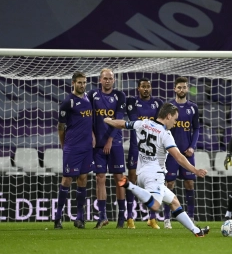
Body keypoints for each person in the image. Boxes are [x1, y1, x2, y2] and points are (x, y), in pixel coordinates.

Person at [104, 103, 210, 237]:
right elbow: (178, 157)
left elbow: (123, 124)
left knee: (174, 202)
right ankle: (129, 185)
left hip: (142, 173)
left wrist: (109, 121)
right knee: (155, 205)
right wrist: (195, 170)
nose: (175, 123)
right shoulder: (165, 134)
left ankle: (197, 231)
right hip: (154, 174)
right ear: (168, 116)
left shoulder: (143, 123)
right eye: (175, 119)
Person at [54, 71, 94, 229]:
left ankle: (79, 218)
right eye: (79, 82)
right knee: (67, 179)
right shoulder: (68, 102)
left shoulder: (88, 99)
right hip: (72, 147)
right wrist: (64, 145)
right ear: (73, 83)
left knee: (83, 179)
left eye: (84, 82)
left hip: (86, 147)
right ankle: (58, 217)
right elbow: (61, 126)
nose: (82, 85)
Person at [88, 68, 126, 229]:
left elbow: (119, 121)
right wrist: (92, 135)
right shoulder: (92, 95)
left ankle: (121, 216)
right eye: (105, 78)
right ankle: (102, 215)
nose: (108, 80)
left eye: (110, 78)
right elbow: (87, 117)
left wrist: (110, 139)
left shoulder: (119, 96)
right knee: (100, 178)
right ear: (100, 80)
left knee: (120, 180)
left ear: (114, 80)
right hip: (97, 145)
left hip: (115, 143)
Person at [126, 77, 164, 229]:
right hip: (136, 148)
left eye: (148, 86)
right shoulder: (132, 102)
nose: (146, 89)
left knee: (152, 181)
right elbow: (136, 123)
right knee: (132, 180)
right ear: (138, 89)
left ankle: (152, 218)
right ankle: (129, 217)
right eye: (143, 86)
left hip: (152, 150)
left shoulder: (158, 103)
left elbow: (160, 125)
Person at [163, 77, 199, 229]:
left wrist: (192, 147)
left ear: (187, 88)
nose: (182, 90)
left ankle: (190, 217)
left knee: (189, 184)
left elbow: (196, 129)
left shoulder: (193, 108)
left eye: (184, 87)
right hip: (171, 153)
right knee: (168, 185)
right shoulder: (168, 107)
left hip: (187, 153)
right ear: (175, 89)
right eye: (179, 87)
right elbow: (163, 127)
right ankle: (166, 219)